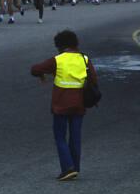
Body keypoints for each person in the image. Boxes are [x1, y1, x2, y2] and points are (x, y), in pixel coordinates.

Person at [30, 30, 98, 181]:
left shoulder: (57, 60)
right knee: (75, 137)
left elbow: (35, 69)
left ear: (59, 45)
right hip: (79, 104)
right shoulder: (84, 59)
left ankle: (67, 168)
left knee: (60, 137)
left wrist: (42, 75)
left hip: (61, 105)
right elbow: (94, 79)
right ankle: (76, 167)